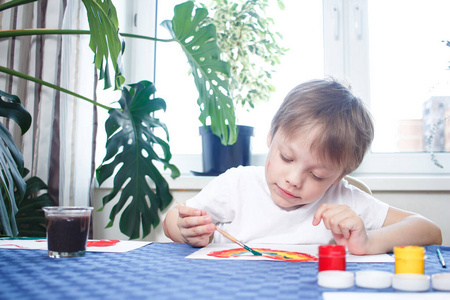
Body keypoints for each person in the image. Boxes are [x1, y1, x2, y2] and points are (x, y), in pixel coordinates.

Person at [163, 79, 442, 255]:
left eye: (317, 175)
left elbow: (429, 230)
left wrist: (368, 242)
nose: (294, 180)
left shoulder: (344, 201)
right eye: (286, 157)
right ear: (271, 138)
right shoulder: (236, 185)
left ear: (338, 177)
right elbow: (172, 221)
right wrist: (185, 230)